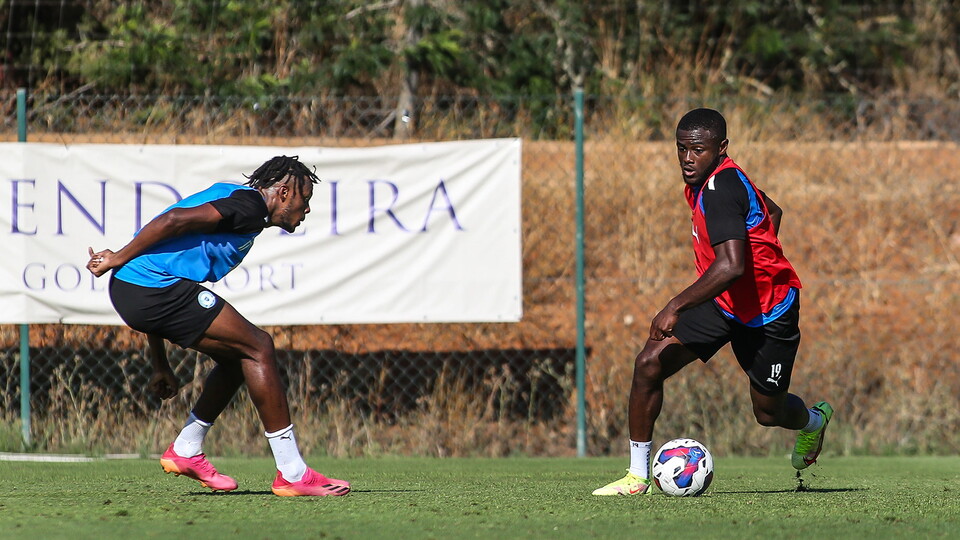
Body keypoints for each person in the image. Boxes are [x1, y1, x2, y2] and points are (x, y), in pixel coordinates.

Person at [592, 108, 833, 496]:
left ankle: (813, 422)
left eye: (698, 150)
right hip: (723, 303)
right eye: (681, 148)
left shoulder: (723, 188)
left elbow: (732, 265)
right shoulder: (706, 181)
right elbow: (772, 210)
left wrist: (675, 305)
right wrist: (761, 250)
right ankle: (637, 476)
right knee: (649, 363)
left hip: (769, 314)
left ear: (721, 149)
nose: (688, 158)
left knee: (768, 412)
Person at [87, 155, 350, 497]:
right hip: (146, 288)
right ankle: (293, 473)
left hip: (138, 291)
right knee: (259, 347)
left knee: (237, 358)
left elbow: (163, 261)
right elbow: (173, 220)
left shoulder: (239, 200)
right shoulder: (250, 206)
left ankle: (186, 449)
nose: (307, 210)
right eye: (305, 200)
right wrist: (118, 256)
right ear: (284, 192)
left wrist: (159, 362)